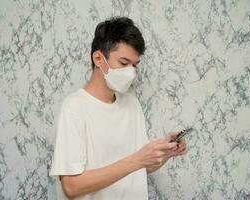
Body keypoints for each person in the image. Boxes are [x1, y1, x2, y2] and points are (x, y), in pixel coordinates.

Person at [49, 16, 187, 200]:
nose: (130, 73)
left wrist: (164, 152)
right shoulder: (74, 108)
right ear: (98, 58)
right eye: (123, 63)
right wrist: (137, 159)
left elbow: (141, 167)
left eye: (134, 65)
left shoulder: (132, 105)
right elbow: (72, 187)